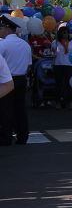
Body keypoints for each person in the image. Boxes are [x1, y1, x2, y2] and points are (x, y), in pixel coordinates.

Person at [0, 15, 31, 145]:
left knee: (6, 110)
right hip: (21, 79)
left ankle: (5, 138)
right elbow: (29, 64)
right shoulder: (25, 45)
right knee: (20, 109)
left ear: (7, 28)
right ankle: (22, 136)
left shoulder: (3, 44)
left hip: (6, 81)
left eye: (1, 27)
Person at [51, 25, 72, 109]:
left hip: (69, 65)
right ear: (60, 33)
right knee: (59, 84)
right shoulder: (55, 42)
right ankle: (58, 102)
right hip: (58, 65)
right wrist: (54, 52)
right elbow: (52, 53)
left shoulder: (71, 42)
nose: (66, 34)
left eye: (67, 33)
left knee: (69, 84)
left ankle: (69, 102)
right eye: (64, 33)